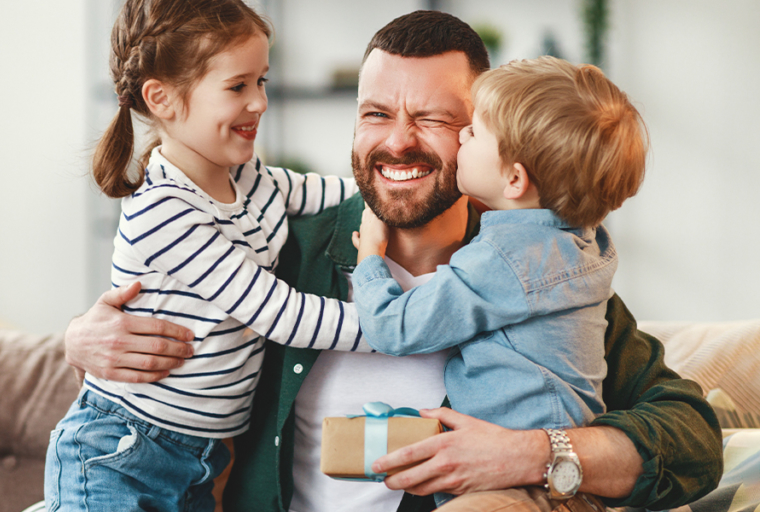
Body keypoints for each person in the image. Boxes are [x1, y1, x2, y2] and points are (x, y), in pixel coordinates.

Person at [63, 10, 723, 512]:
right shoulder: (284, 249)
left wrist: (531, 454)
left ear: (488, 138)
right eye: (376, 112)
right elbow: (151, 362)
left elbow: (693, 439)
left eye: (436, 119)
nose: (398, 141)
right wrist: (78, 338)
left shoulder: (539, 273)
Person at [45, 1, 372, 510]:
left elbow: (337, 192)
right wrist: (394, 324)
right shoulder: (164, 211)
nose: (260, 102)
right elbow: (278, 312)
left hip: (200, 457)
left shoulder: (248, 177)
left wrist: (401, 185)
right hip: (124, 453)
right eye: (238, 86)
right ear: (164, 99)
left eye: (261, 80)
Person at [350, 55, 647, 509]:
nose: (463, 136)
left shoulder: (506, 260)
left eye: (472, 130)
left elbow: (395, 327)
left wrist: (370, 257)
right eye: (376, 113)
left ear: (513, 178)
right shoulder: (581, 245)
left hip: (519, 489)